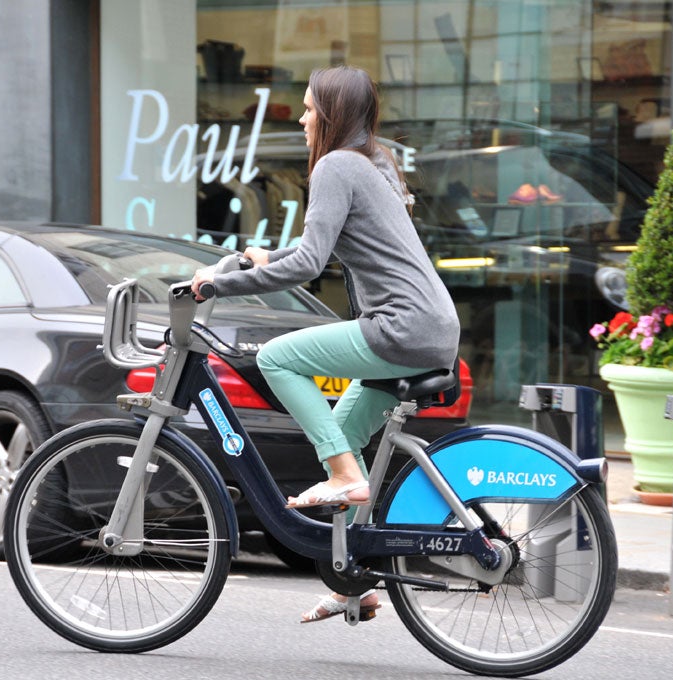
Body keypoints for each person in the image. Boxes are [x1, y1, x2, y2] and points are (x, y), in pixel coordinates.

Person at [192, 65, 460, 623]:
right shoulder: (374, 162)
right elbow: (325, 242)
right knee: (348, 430)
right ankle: (352, 584)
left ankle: (341, 473)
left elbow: (312, 264)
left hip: (401, 326)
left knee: (277, 357)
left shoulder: (337, 165)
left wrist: (221, 282)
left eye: (312, 107)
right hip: (430, 325)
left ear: (333, 114)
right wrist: (266, 256)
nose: (305, 117)